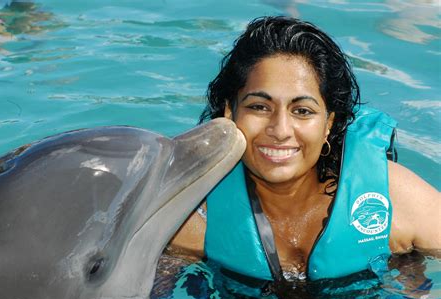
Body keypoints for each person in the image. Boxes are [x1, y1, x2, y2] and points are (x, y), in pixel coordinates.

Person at [166, 16, 440, 282]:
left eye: (302, 110)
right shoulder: (191, 218)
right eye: (259, 107)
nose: (281, 130)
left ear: (328, 124)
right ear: (230, 113)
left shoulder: (396, 201)